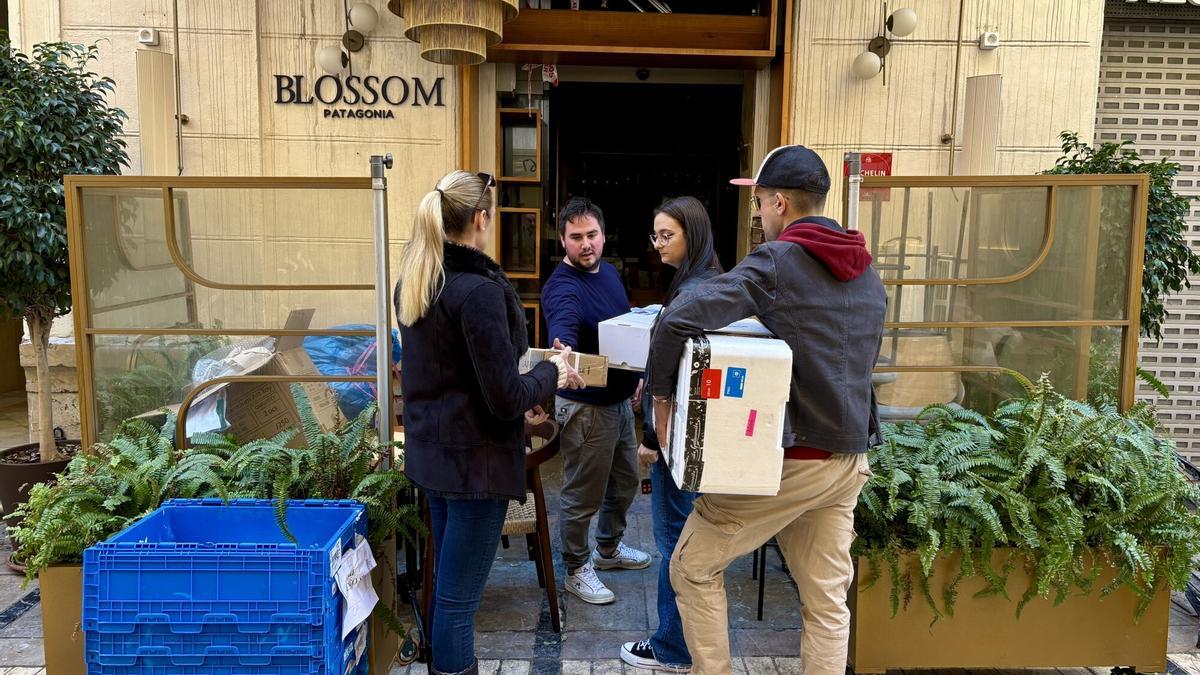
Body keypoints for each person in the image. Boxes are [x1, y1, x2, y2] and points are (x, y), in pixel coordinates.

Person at [648, 146, 887, 675]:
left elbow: (678, 317)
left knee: (690, 567)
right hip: (849, 460)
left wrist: (660, 398)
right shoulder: (868, 271)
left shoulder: (778, 261)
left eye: (758, 203)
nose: (758, 215)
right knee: (826, 602)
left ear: (780, 202)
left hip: (792, 459)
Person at [395, 170, 585, 675]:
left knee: (445, 591)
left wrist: (535, 386)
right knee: (458, 603)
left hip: (434, 460)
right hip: (475, 468)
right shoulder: (477, 292)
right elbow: (502, 398)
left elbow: (458, 379)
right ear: (481, 219)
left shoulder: (417, 280)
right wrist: (553, 372)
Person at [620, 196, 723, 673]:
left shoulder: (694, 292)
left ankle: (671, 647)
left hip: (678, 440)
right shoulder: (712, 284)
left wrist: (649, 438)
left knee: (674, 542)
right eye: (655, 235)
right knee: (691, 539)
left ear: (692, 235)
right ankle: (686, 643)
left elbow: (671, 385)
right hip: (698, 437)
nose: (658, 244)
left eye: (668, 235)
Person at [541, 196, 651, 605]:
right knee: (582, 494)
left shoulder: (607, 273)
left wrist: (637, 375)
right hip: (586, 408)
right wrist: (562, 350)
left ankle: (608, 548)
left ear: (603, 235)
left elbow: (623, 333)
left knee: (623, 484)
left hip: (618, 403)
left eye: (591, 235)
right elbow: (563, 327)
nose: (585, 244)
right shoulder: (562, 288)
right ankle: (575, 567)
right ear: (563, 240)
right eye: (576, 237)